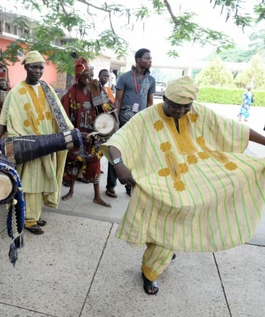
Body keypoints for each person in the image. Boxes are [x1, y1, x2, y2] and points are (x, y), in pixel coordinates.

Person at [103, 76, 265, 295]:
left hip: (193, 180)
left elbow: (233, 128)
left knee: (173, 226)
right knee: (163, 226)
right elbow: (118, 140)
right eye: (174, 106)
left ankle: (156, 263)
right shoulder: (146, 117)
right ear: (164, 98)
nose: (180, 111)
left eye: (185, 107)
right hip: (158, 185)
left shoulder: (198, 111)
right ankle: (153, 268)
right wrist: (118, 165)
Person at [0, 51, 73, 235]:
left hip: (47, 143)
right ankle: (29, 220)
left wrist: (69, 134)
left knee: (42, 179)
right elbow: (4, 117)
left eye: (40, 68)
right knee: (30, 182)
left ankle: (34, 215)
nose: (37, 71)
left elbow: (60, 114)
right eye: (34, 67)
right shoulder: (15, 92)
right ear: (26, 67)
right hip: (26, 145)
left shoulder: (48, 89)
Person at [61, 57, 112, 208]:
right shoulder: (70, 92)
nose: (87, 78)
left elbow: (108, 107)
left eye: (89, 75)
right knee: (73, 162)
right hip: (77, 134)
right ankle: (71, 191)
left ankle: (97, 196)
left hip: (94, 135)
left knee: (95, 164)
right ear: (77, 77)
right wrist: (72, 133)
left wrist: (110, 124)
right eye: (84, 76)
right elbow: (63, 115)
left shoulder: (95, 89)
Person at [106, 48, 155, 198]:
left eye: (151, 58)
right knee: (116, 151)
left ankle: (129, 185)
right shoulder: (124, 77)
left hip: (140, 123)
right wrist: (116, 121)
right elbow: (118, 101)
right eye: (148, 58)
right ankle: (110, 186)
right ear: (139, 60)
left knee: (134, 154)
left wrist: (149, 123)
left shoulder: (151, 80)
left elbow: (150, 103)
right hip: (123, 121)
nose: (150, 61)